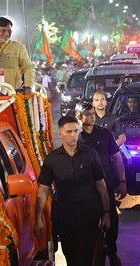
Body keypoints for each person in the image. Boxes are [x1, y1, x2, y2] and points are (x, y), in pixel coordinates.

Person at [34, 116, 111, 266]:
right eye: (69, 132)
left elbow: (101, 185)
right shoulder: (52, 159)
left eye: (76, 131)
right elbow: (43, 191)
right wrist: (38, 218)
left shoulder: (91, 154)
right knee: (71, 256)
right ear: (60, 134)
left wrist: (106, 213)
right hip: (64, 217)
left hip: (88, 215)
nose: (73, 135)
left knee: (86, 257)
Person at [77, 102, 126, 265]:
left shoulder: (105, 134)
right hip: (85, 191)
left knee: (110, 219)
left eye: (92, 113)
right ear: (79, 116)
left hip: (107, 186)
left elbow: (116, 158)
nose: (92, 116)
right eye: (87, 114)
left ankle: (112, 252)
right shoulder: (75, 138)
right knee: (88, 224)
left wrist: (122, 181)